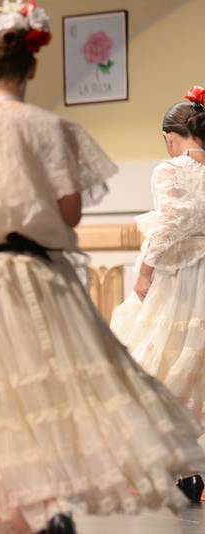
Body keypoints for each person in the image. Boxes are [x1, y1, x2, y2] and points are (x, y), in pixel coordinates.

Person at [0, 2, 205, 533]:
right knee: (54, 382)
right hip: (41, 273)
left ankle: (19, 506)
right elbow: (70, 214)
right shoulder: (52, 128)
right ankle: (56, 498)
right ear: (32, 68)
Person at [111, 85, 205, 500]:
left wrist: (145, 271)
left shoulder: (170, 169)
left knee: (165, 365)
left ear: (170, 135)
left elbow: (169, 225)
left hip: (182, 279)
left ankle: (183, 465)